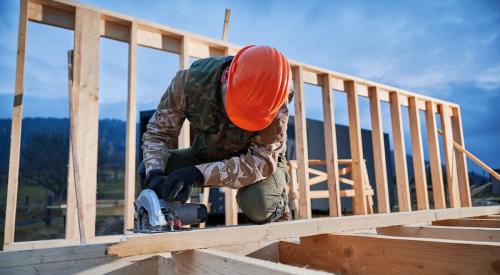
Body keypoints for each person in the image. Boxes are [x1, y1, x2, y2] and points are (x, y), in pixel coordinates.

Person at [138, 45, 293, 224]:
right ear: (226, 76)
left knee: (259, 202)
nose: (239, 122)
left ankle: (277, 208)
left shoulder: (276, 102)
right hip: (207, 154)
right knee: (148, 170)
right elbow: (158, 133)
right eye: (238, 110)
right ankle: (166, 223)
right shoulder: (188, 83)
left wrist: (198, 174)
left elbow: (261, 161)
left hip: (255, 163)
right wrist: (155, 174)